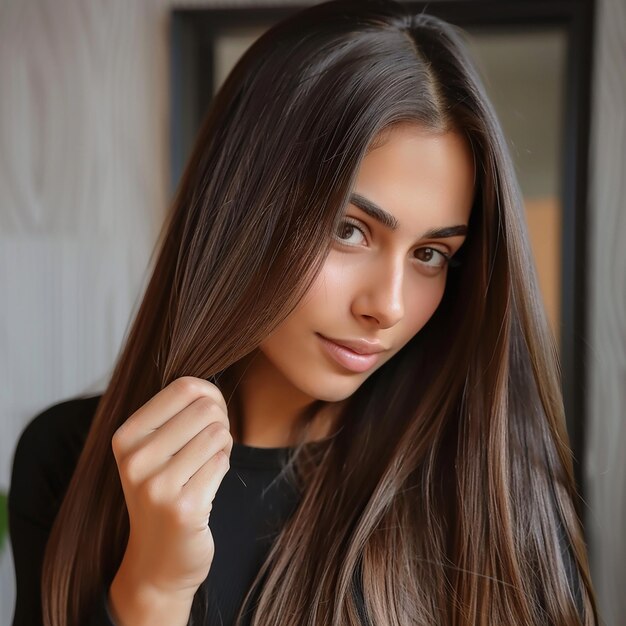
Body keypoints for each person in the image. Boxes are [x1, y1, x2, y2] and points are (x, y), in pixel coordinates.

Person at [9, 0, 599, 624]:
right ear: (240, 207)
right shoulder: (68, 457)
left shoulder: (491, 493)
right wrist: (152, 591)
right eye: (349, 229)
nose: (388, 306)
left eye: (431, 253)